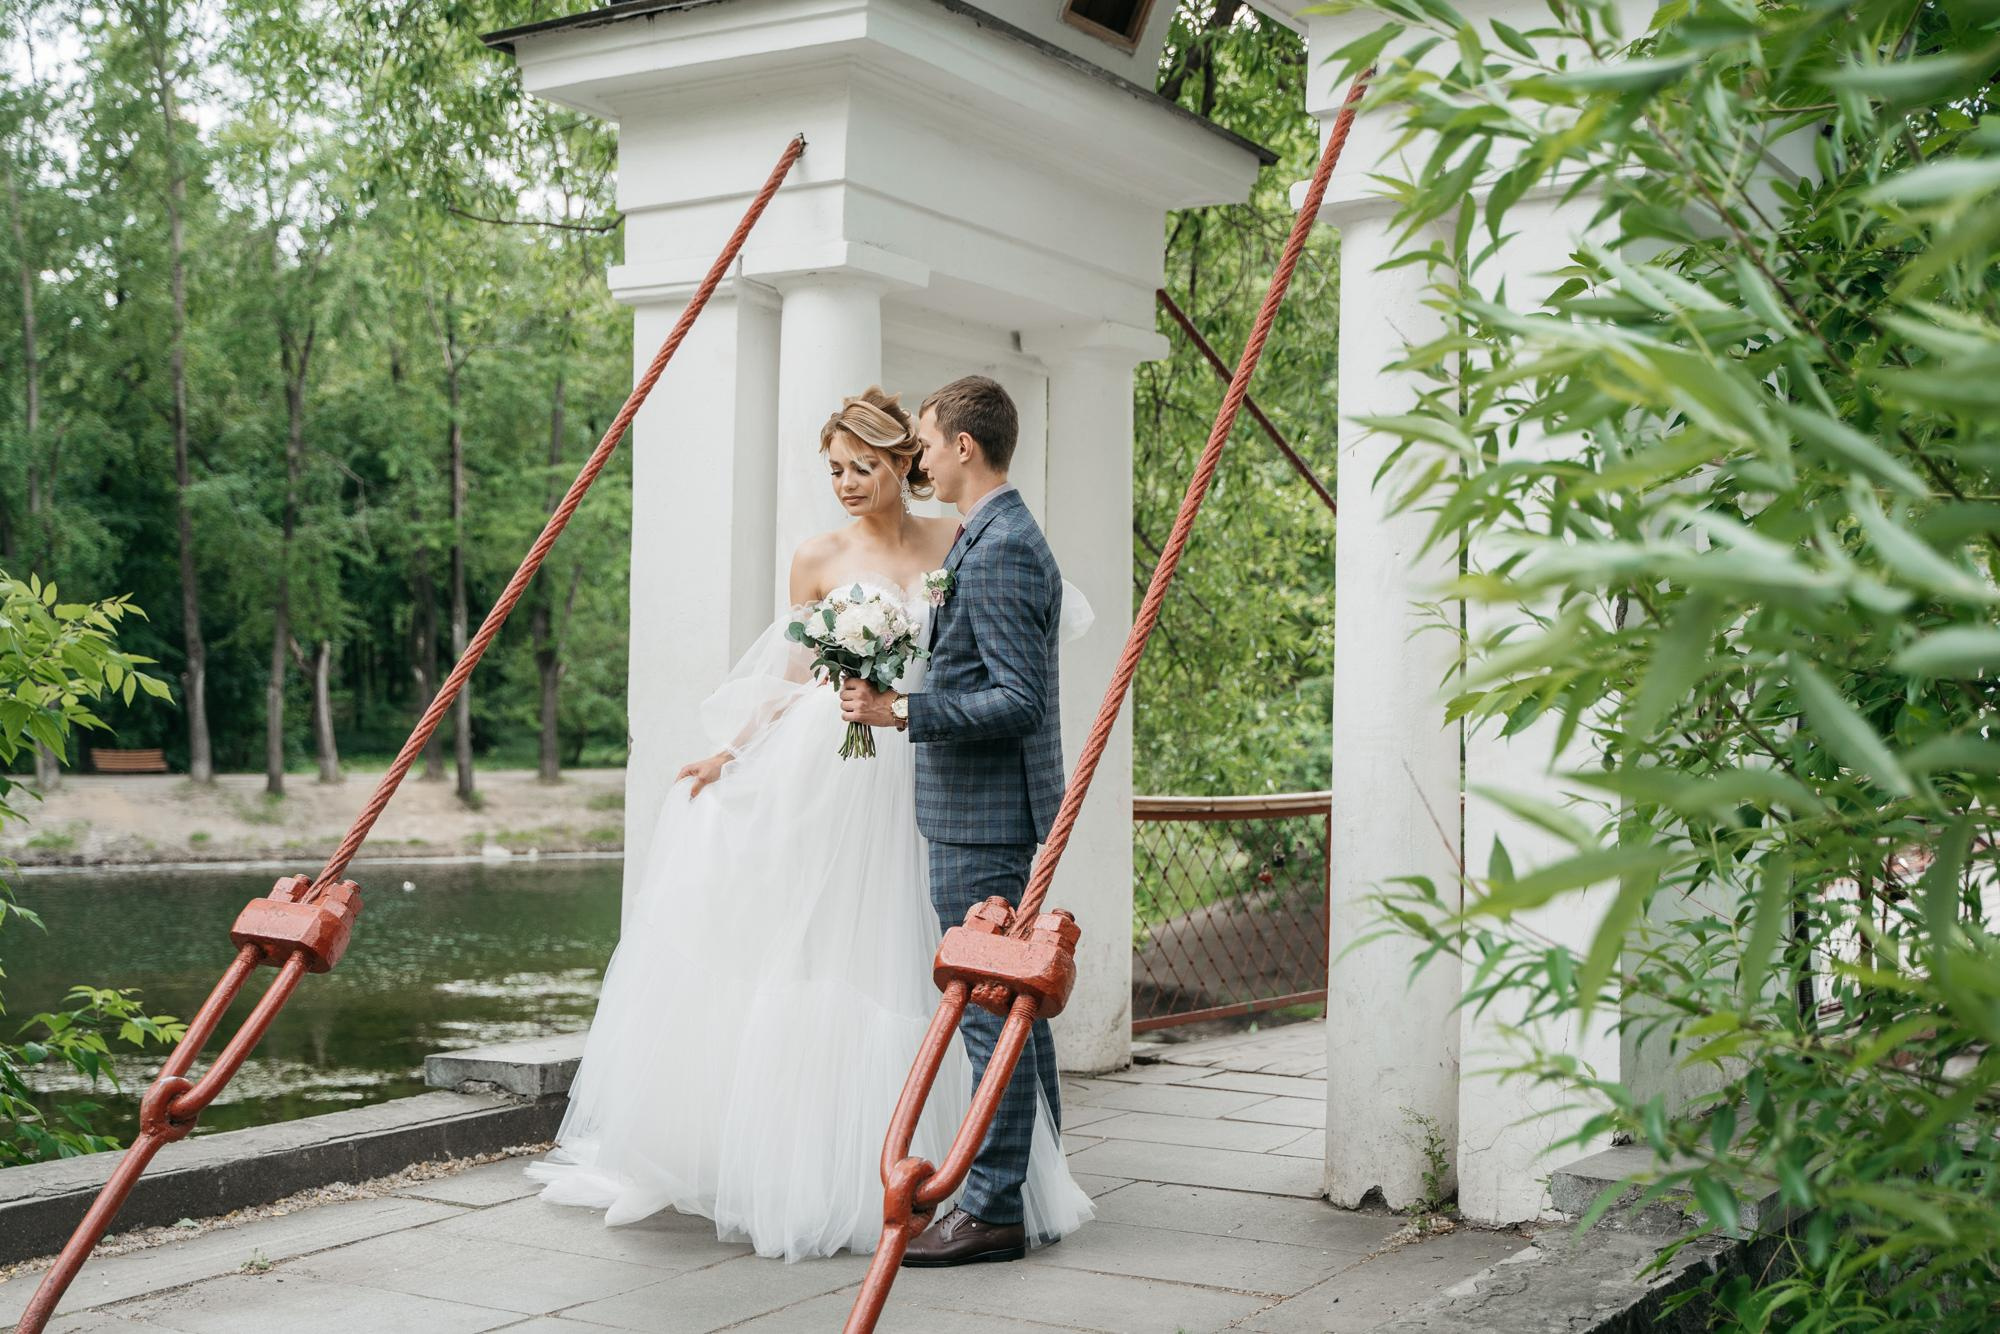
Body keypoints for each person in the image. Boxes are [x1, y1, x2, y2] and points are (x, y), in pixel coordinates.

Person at [527, 386, 1093, 1261]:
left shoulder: (970, 540)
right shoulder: (822, 556)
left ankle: (1002, 1191)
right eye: (832, 469)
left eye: (861, 466)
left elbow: (1009, 662)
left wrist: (900, 708)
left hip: (935, 764)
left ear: (913, 459)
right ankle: (972, 1183)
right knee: (888, 959)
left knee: (976, 985)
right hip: (849, 766)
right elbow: (795, 677)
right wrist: (732, 754)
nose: (845, 482)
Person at [841, 375, 1072, 1268]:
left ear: (965, 448)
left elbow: (1015, 699)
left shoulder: (1005, 545)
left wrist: (902, 711)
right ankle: (1036, 1191)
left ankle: (991, 1209)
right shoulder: (986, 536)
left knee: (988, 1015)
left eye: (928, 445)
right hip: (979, 813)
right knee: (1016, 1014)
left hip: (987, 822)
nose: (921, 458)